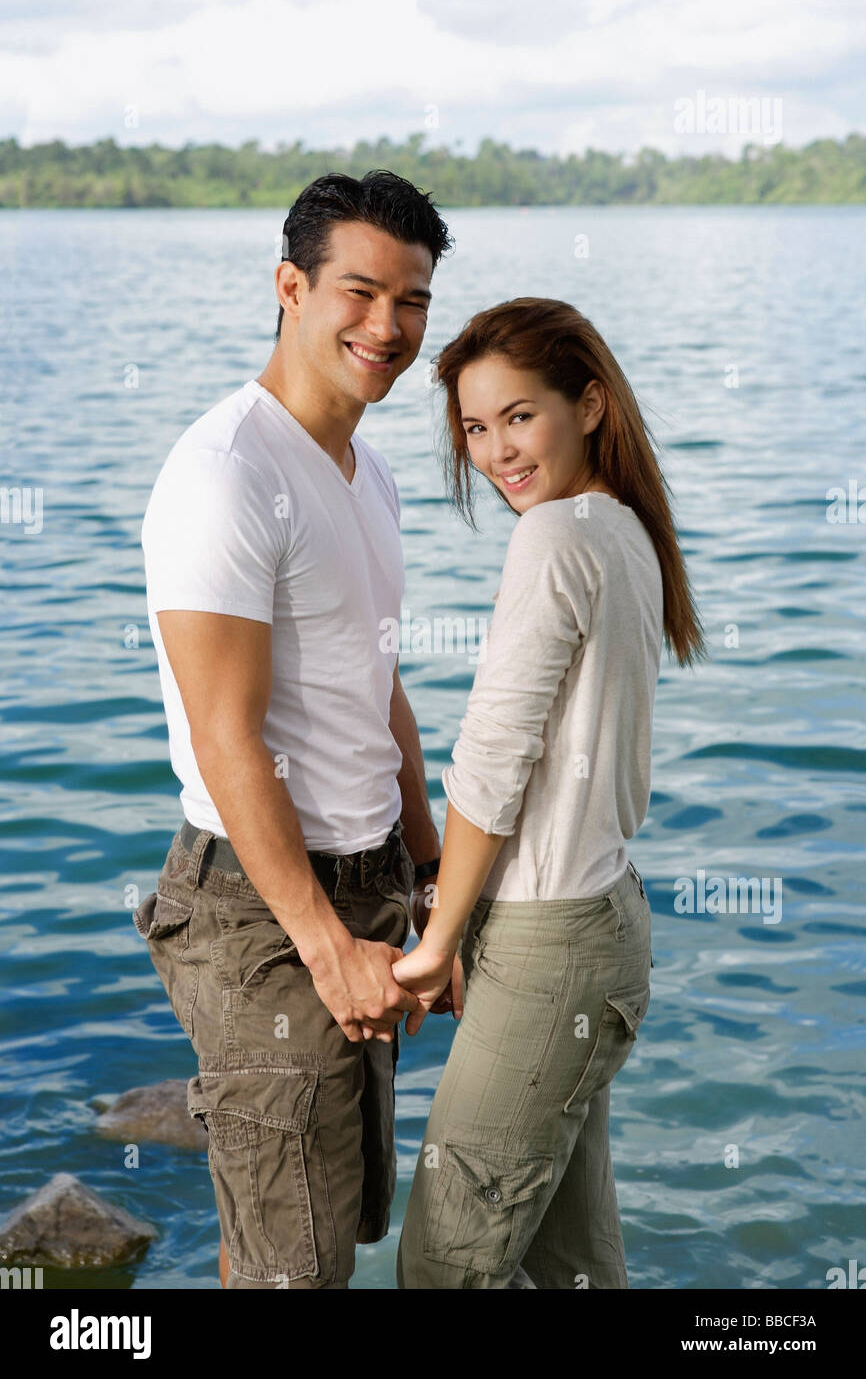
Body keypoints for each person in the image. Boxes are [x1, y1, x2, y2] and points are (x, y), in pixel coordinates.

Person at [134, 170, 453, 1288]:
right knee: (291, 1267)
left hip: (363, 885)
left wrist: (426, 870)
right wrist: (324, 946)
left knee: (318, 1235)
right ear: (289, 285)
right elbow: (226, 738)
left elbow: (382, 689)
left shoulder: (368, 473)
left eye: (411, 300)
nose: (387, 327)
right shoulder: (226, 472)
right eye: (359, 292)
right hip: (265, 911)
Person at [392, 296, 706, 1289]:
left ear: (590, 404)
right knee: (569, 1264)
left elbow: (493, 761)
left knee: (444, 1264)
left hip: (547, 943)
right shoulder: (624, 532)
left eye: (518, 416)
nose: (493, 451)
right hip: (599, 922)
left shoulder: (554, 540)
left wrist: (437, 937)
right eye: (474, 428)